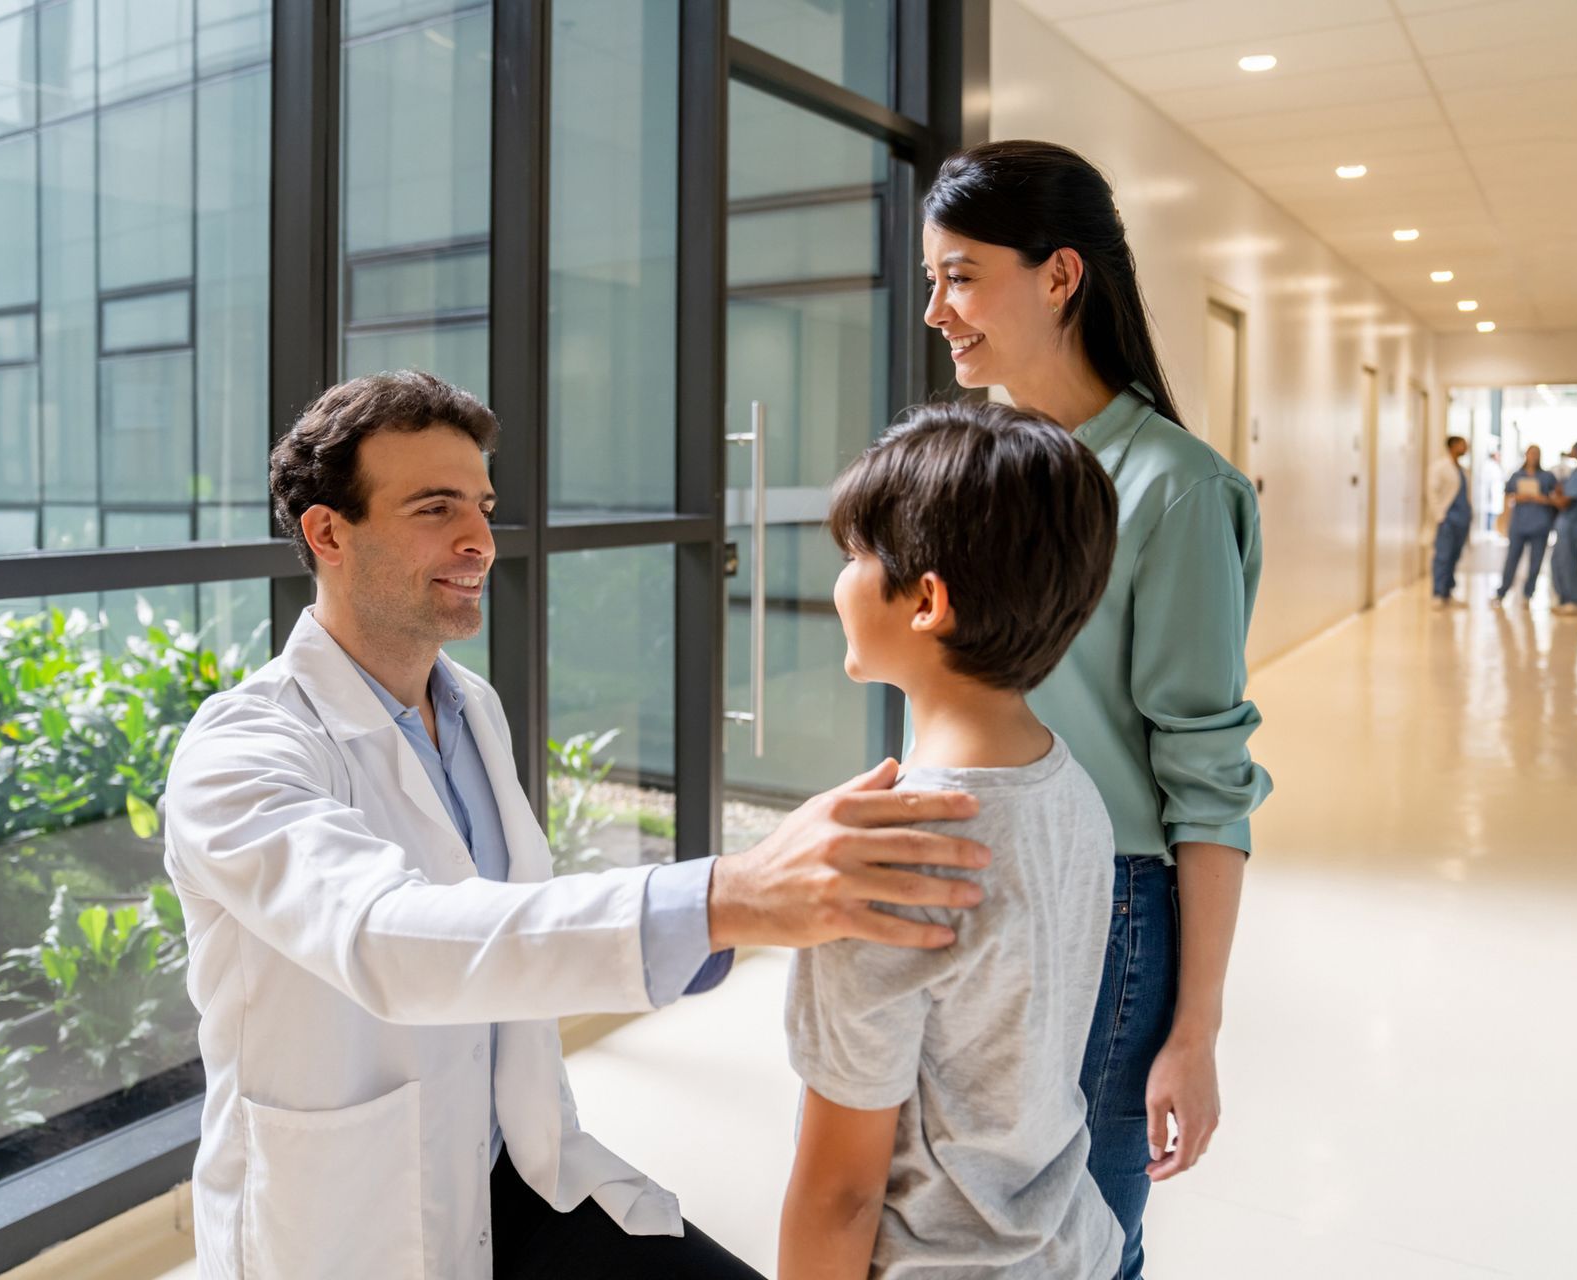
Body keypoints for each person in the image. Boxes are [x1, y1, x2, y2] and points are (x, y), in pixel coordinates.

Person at [162, 371, 995, 1280]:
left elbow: (505, 929)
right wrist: (728, 896)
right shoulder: (239, 753)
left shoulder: (470, 707)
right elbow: (386, 939)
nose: (479, 539)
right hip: (354, 1223)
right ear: (328, 532)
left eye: (480, 504)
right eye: (434, 508)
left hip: (514, 1168)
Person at [917, 140, 1274, 1278]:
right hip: (960, 870)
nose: (937, 308)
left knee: (1080, 1243)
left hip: (1105, 908)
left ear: (1060, 274)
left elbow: (1206, 778)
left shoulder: (1175, 489)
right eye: (934, 279)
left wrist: (1195, 1029)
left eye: (961, 275)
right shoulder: (974, 465)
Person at [779, 401, 1125, 1278]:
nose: (842, 577)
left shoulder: (888, 855)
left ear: (927, 600)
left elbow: (840, 1193)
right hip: (1064, 1250)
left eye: (856, 555)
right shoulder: (1066, 785)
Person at [1493, 444, 1558, 606]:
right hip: (1519, 524)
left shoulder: (1547, 477)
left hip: (1540, 524)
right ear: (1526, 455)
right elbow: (1508, 496)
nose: (1534, 456)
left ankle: (1528, 595)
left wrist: (1544, 499)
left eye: (1537, 453)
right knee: (1511, 559)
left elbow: (1557, 497)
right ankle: (1502, 592)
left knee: (1535, 562)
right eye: (1531, 453)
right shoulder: (1516, 476)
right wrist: (1515, 500)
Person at [1547, 441, 1577, 616]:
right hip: (1567, 525)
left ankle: (1573, 600)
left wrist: (1547, 499)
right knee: (1559, 561)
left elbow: (1566, 501)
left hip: (1572, 524)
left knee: (1568, 563)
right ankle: (1564, 597)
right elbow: (1565, 492)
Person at [1426, 435, 1472, 607]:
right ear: (1452, 446)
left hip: (1462, 519)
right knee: (1443, 556)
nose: (1465, 448)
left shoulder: (1463, 469)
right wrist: (1440, 516)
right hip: (1447, 519)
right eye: (1463, 445)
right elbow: (1432, 492)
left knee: (1454, 556)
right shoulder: (1440, 467)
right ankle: (1438, 592)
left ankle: (1447, 591)